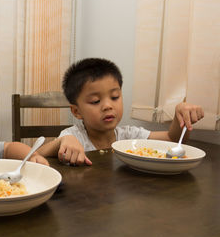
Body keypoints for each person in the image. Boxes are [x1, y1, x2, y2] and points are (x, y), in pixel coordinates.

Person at [37, 58, 204, 166]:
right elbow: (36, 156)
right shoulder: (74, 136)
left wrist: (179, 116)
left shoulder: (129, 136)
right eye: (96, 101)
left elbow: (172, 139)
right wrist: (62, 141)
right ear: (76, 111)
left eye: (115, 97)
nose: (108, 106)